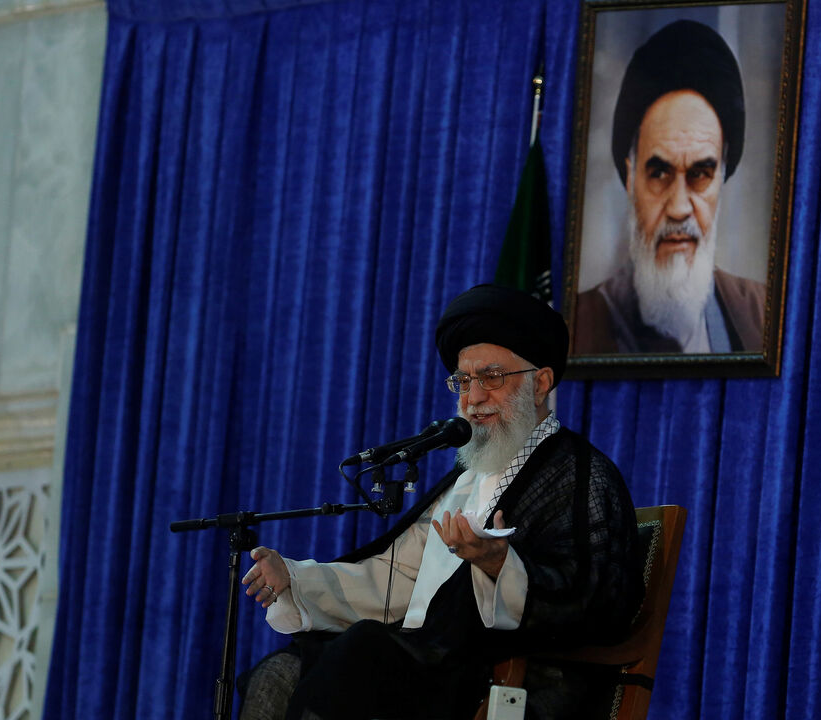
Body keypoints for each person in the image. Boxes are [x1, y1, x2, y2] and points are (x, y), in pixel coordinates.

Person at [238, 284, 643, 720]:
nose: (473, 398)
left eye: (492, 377)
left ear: (540, 383)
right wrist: (296, 580)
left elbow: (602, 601)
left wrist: (499, 565)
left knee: (360, 653)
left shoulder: (582, 473)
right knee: (281, 672)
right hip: (425, 661)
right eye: (464, 381)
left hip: (510, 677)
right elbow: (399, 575)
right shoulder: (470, 475)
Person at [573, 20, 766, 355]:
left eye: (700, 174)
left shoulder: (763, 313)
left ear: (721, 177)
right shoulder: (573, 327)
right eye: (660, 173)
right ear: (631, 176)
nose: (679, 207)